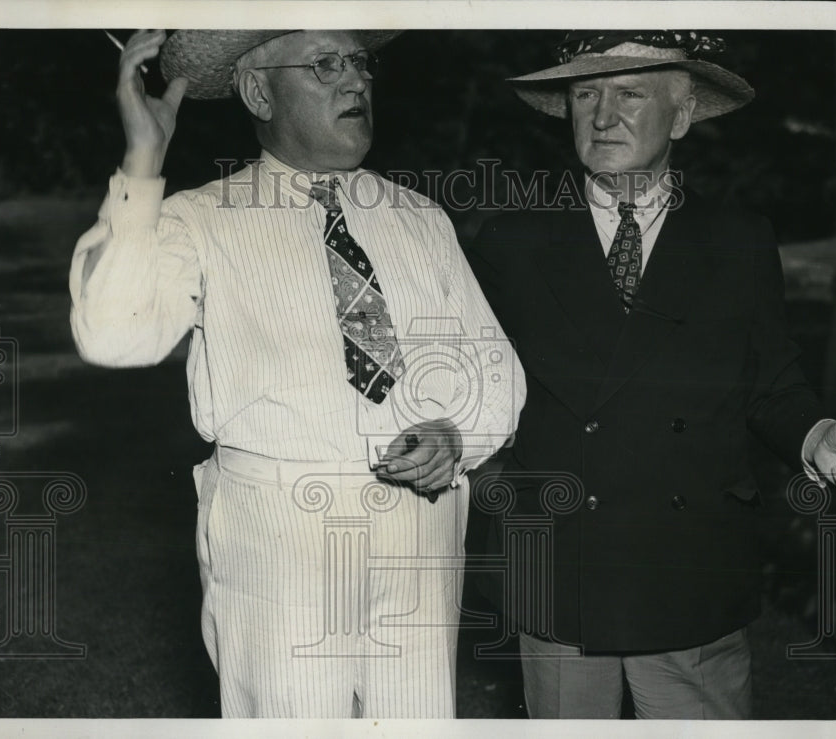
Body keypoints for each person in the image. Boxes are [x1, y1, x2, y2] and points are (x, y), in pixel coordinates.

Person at [69, 28, 524, 719]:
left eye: (361, 64)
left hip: (420, 528)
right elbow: (112, 335)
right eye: (325, 65)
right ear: (258, 91)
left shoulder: (419, 219)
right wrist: (142, 161)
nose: (356, 83)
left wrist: (455, 436)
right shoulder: (200, 219)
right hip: (278, 535)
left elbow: (496, 369)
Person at [468, 30, 836, 720]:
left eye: (629, 93)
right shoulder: (512, 241)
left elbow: (772, 382)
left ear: (683, 113)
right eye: (585, 94)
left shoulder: (739, 238)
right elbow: (476, 393)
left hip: (688, 567)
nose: (603, 116)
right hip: (563, 565)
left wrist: (817, 434)